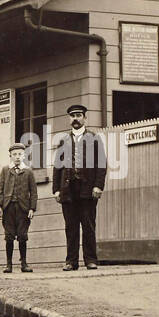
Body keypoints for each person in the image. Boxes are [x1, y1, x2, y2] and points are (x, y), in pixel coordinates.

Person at [51, 103, 106, 271]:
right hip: (68, 190)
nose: (75, 118)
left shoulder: (94, 138)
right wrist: (56, 189)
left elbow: (101, 164)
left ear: (85, 118)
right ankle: (71, 261)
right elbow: (57, 166)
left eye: (78, 115)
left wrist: (98, 186)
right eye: (72, 116)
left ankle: (91, 260)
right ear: (69, 119)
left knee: (88, 225)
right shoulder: (63, 141)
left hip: (87, 189)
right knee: (71, 227)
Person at [0, 143, 37, 273]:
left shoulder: (28, 171)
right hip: (8, 208)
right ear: (10, 156)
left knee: (22, 235)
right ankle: (8, 264)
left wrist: (32, 208)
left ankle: (24, 263)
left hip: (23, 208)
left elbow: (33, 192)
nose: (17, 157)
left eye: (20, 154)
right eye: (14, 154)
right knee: (9, 236)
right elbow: (0, 189)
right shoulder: (5, 170)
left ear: (24, 155)